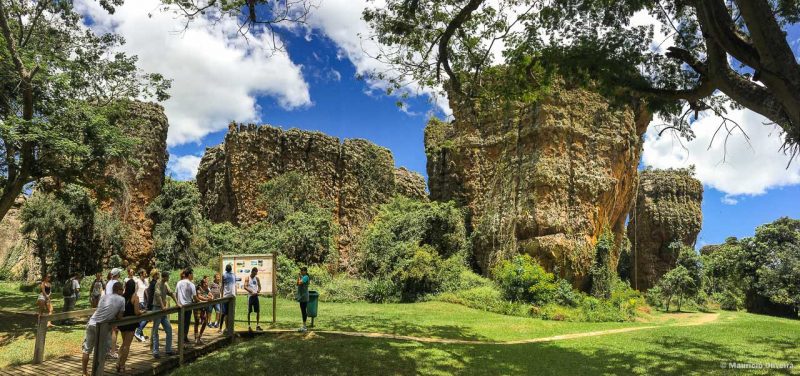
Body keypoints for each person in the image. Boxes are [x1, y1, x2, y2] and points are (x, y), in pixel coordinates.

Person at [80, 281, 124, 376]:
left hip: (91, 322)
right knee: (102, 350)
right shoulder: (121, 299)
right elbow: (120, 317)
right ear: (119, 290)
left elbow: (99, 309)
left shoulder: (104, 297)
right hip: (102, 327)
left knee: (87, 349)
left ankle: (84, 373)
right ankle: (98, 372)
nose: (123, 291)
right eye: (122, 289)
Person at [117, 279, 145, 373]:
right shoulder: (135, 297)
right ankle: (122, 366)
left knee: (123, 343)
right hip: (130, 324)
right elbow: (137, 312)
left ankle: (118, 362)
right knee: (126, 346)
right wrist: (142, 312)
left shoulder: (122, 297)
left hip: (122, 324)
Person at [151, 270, 178, 358]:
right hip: (157, 308)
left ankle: (168, 350)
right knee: (155, 331)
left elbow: (171, 293)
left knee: (169, 329)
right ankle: (155, 352)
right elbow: (158, 296)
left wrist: (177, 303)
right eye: (168, 277)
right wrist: (162, 306)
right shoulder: (158, 284)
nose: (168, 279)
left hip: (163, 310)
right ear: (164, 277)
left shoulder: (165, 284)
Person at [175, 267, 197, 344]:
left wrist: (177, 302)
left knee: (181, 323)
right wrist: (199, 301)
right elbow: (194, 297)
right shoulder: (191, 284)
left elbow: (176, 294)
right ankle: (184, 338)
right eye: (192, 274)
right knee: (186, 323)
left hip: (180, 306)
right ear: (189, 275)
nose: (193, 276)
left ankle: (181, 338)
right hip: (188, 306)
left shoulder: (179, 283)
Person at [105, 268, 122, 358]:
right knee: (114, 330)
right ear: (118, 274)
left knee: (109, 330)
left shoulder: (108, 283)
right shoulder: (116, 283)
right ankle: (112, 351)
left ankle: (108, 350)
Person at [218, 264, 236, 333]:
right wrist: (221, 296)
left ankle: (228, 328)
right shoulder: (229, 275)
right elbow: (222, 286)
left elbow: (223, 286)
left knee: (227, 313)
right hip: (228, 296)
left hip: (229, 296)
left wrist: (221, 296)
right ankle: (226, 328)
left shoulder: (230, 275)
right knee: (226, 313)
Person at [133, 269, 150, 342]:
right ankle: (138, 333)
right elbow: (135, 291)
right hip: (139, 301)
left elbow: (147, 291)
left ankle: (139, 333)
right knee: (143, 319)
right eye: (145, 273)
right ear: (141, 274)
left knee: (146, 318)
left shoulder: (146, 281)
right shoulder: (137, 281)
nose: (146, 274)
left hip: (144, 302)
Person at [243, 267, 262, 332]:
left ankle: (257, 325)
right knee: (249, 311)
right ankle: (249, 326)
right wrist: (251, 292)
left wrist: (258, 291)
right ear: (252, 271)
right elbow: (245, 286)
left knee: (258, 311)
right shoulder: (247, 278)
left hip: (256, 296)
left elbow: (259, 286)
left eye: (257, 272)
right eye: (255, 272)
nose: (256, 273)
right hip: (250, 297)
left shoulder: (257, 278)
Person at [194, 276, 211, 344]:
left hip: (204, 308)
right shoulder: (198, 288)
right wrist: (207, 299)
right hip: (197, 308)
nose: (207, 283)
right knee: (197, 322)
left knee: (205, 322)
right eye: (207, 282)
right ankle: (196, 338)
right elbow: (199, 296)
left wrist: (211, 297)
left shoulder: (207, 289)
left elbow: (211, 295)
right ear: (203, 284)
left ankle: (199, 337)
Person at [296, 267, 310, 332]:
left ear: (305, 271)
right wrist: (299, 277)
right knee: (303, 310)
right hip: (302, 296)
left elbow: (299, 283)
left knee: (304, 311)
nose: (301, 271)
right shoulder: (302, 277)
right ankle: (304, 325)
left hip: (304, 296)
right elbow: (297, 283)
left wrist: (299, 276)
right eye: (301, 270)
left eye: (302, 270)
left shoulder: (306, 277)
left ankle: (304, 326)